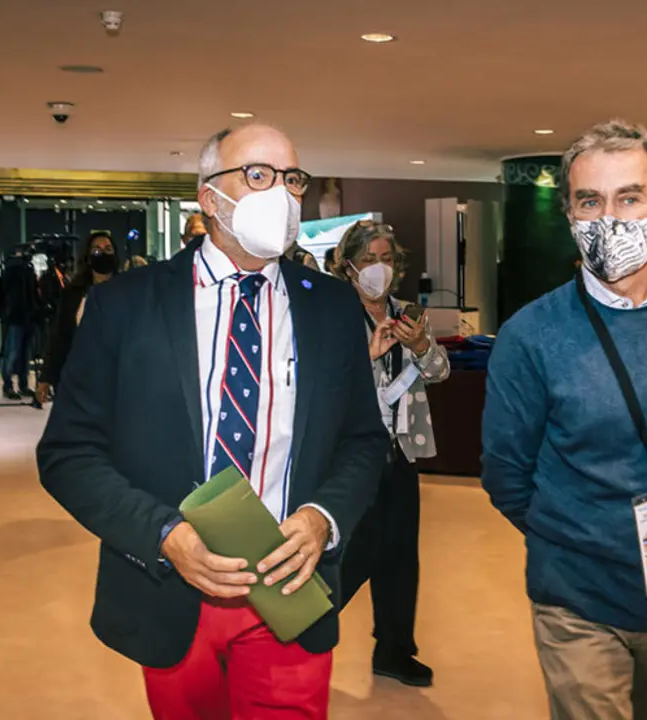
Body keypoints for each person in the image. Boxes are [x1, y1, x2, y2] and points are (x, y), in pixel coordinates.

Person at [37, 123, 388, 720]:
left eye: (292, 180)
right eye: (258, 175)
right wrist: (163, 534)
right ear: (208, 196)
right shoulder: (125, 304)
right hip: (172, 586)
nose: (281, 193)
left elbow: (362, 439)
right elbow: (68, 454)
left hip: (288, 585)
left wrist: (322, 518)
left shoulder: (330, 305)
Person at [481, 120, 647, 720]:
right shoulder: (530, 335)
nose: (610, 218)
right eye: (590, 201)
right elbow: (506, 473)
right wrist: (577, 534)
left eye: (629, 197)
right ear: (570, 215)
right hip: (574, 595)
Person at [333, 221, 450, 687]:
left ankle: (395, 649)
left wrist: (420, 345)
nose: (378, 268)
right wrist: (368, 352)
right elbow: (325, 383)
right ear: (348, 268)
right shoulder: (335, 315)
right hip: (351, 452)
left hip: (400, 449)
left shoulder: (408, 314)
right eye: (368, 260)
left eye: (386, 258)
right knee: (357, 551)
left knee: (401, 555)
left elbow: (439, 372)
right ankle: (297, 628)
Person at [35, 231, 118, 404]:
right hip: (80, 376)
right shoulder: (74, 293)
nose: (102, 253)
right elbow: (60, 335)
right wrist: (46, 376)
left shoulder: (128, 291)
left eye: (108, 249)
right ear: (87, 256)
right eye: (97, 249)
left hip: (117, 378)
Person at [0, 248, 40, 399]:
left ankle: (23, 384)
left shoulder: (28, 270)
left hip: (28, 316)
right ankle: (8, 386)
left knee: (24, 354)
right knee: (12, 353)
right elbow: (2, 293)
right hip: (16, 317)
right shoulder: (12, 270)